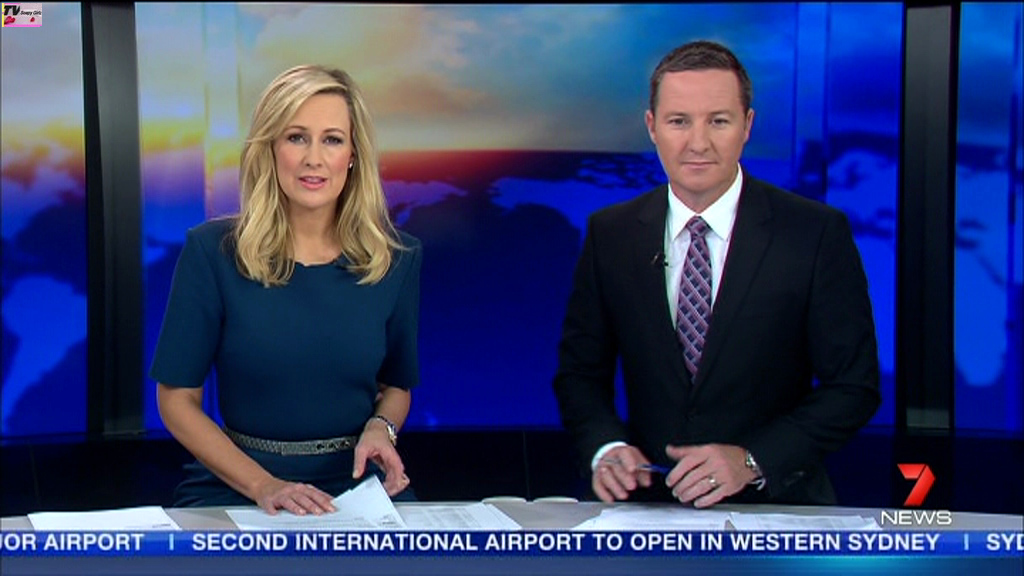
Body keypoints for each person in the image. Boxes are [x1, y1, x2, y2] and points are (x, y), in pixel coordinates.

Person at [553, 40, 880, 507]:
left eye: (718, 121)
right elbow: (579, 374)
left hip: (778, 510)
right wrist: (606, 448)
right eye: (679, 121)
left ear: (747, 125)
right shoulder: (612, 234)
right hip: (649, 509)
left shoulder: (814, 233)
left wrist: (752, 460)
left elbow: (853, 387)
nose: (698, 143)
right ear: (652, 127)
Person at [150, 65, 421, 515]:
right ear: (271, 149)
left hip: (356, 484)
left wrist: (381, 428)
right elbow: (176, 400)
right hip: (239, 481)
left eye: (332, 139)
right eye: (296, 137)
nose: (314, 158)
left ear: (352, 155)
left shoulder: (396, 259)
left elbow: (396, 386)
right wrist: (264, 485)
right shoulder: (212, 252)